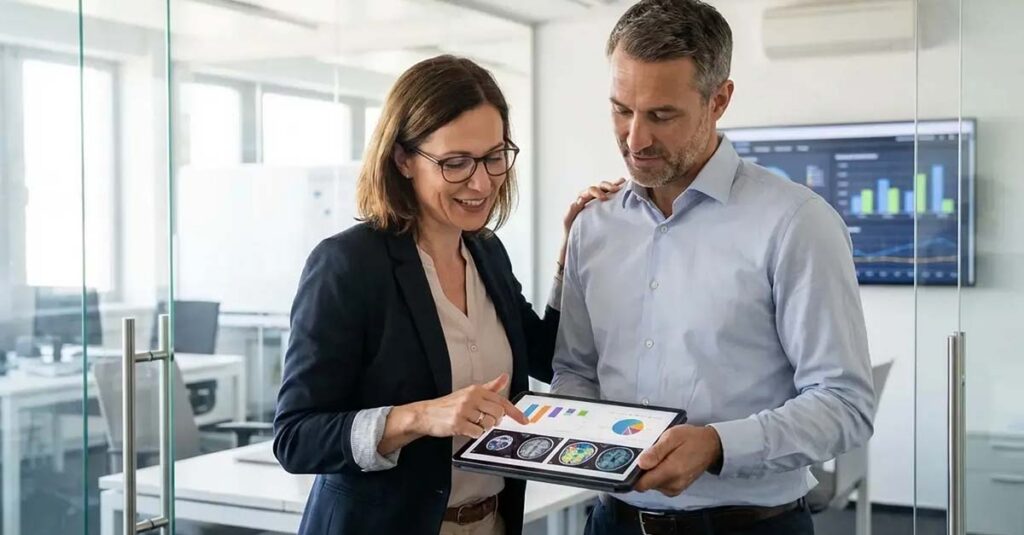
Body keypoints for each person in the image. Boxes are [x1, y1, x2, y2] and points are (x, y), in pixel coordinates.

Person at [551, 1, 876, 534]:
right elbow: (574, 371)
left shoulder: (796, 223)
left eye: (661, 115)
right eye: (620, 109)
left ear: (718, 100)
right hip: (614, 522)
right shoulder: (594, 225)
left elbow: (845, 405)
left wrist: (718, 445)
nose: (635, 139)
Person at [273, 54, 623, 535]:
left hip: (491, 522)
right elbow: (296, 437)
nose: (481, 183)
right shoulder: (349, 265)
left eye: (494, 157)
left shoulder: (486, 251)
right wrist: (421, 417)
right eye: (456, 163)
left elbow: (550, 356)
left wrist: (572, 254)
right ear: (403, 160)